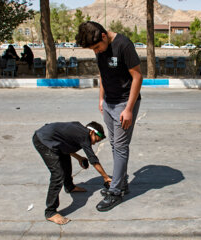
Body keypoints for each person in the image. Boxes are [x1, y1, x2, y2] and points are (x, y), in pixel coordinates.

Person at [76, 21, 143, 212]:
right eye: (93, 50)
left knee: (120, 147)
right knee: (114, 145)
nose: (96, 52)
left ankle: (115, 192)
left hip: (124, 103)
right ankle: (121, 184)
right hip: (108, 103)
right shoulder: (99, 49)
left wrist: (129, 108)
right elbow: (103, 74)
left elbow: (137, 76)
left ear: (104, 36)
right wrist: (101, 99)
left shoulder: (123, 45)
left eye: (97, 47)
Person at [33, 121, 111, 225]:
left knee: (66, 161)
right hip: (43, 141)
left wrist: (79, 158)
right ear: (92, 132)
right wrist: (105, 177)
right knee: (58, 175)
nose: (94, 143)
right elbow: (93, 159)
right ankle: (50, 212)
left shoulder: (79, 130)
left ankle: (69, 186)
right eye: (96, 140)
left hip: (51, 139)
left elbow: (65, 144)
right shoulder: (84, 136)